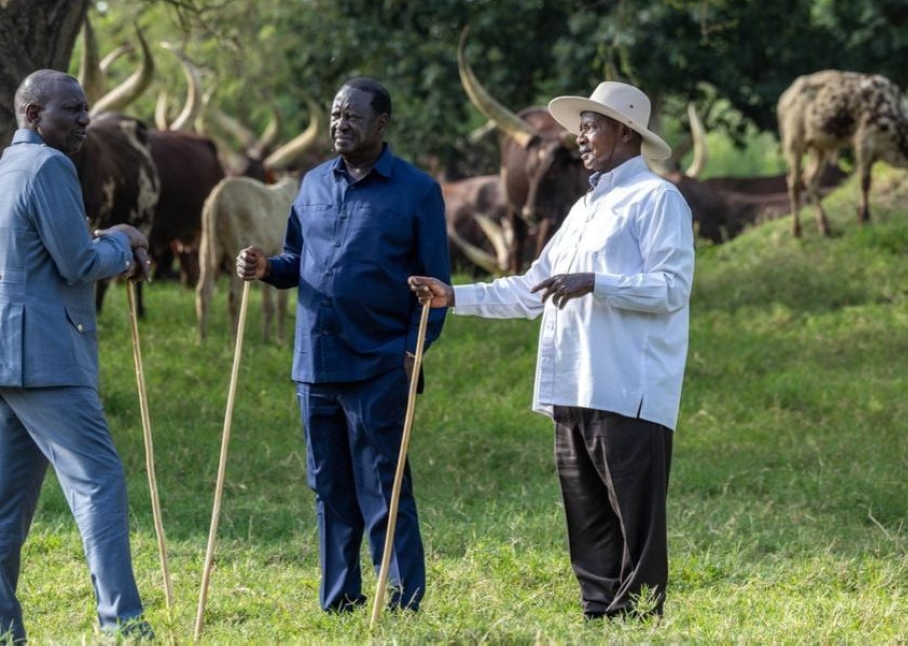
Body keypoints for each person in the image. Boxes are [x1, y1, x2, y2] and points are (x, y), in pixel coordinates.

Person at [409, 81, 695, 620]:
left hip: (627, 390)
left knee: (635, 522)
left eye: (592, 125)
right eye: (581, 126)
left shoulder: (659, 199)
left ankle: (639, 623)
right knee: (586, 520)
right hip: (571, 386)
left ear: (626, 133)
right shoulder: (586, 207)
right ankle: (597, 615)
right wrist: (454, 297)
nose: (580, 137)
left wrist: (598, 283)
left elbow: (671, 288)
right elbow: (530, 289)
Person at [236, 77, 451, 613]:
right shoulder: (311, 185)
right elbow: (295, 260)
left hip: (381, 361)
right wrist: (267, 269)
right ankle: (340, 598)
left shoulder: (416, 191)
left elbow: (435, 290)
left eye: (352, 116)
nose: (340, 124)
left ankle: (402, 600)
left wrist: (412, 352)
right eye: (335, 115)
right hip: (316, 360)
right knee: (328, 487)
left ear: (381, 124)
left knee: (385, 485)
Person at [0, 69, 154, 643]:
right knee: (98, 480)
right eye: (70, 110)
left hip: (0, 350)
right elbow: (76, 262)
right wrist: (123, 240)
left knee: (0, 503)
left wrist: (108, 239)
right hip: (45, 352)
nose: (83, 119)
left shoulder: (4, 168)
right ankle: (123, 628)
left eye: (85, 108)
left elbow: (41, 256)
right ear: (32, 115)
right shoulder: (50, 166)